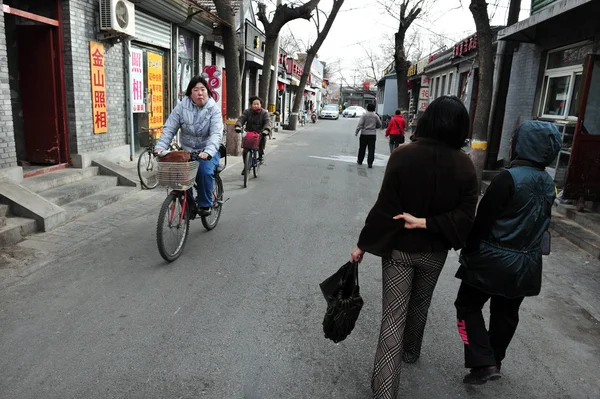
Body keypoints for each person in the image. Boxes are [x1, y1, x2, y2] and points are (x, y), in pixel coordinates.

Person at [350, 95, 478, 399]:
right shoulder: (466, 165)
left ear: (428, 119)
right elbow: (465, 217)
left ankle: (384, 391)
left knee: (393, 315)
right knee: (420, 303)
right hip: (434, 251)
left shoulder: (403, 155)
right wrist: (428, 224)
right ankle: (410, 351)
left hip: (398, 251)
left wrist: (362, 245)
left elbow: (384, 207)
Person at [454, 120, 561, 385]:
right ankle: (493, 361)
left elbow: (483, 220)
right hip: (526, 264)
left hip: (492, 260)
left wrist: (468, 250)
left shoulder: (508, 178)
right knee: (506, 314)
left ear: (522, 145)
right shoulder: (549, 183)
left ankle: (484, 361)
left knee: (467, 306)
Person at [155, 76, 223, 217]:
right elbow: (170, 128)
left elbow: (216, 134)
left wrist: (208, 152)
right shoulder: (181, 107)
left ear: (208, 92)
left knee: (203, 171)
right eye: (196, 89)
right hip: (187, 151)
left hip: (208, 150)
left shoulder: (214, 109)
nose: (200, 93)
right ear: (190, 93)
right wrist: (160, 147)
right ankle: (188, 204)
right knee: (180, 175)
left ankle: (205, 204)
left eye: (203, 89)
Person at [235, 96, 272, 171]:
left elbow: (268, 122)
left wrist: (266, 129)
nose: (256, 105)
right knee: (245, 150)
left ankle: (260, 156)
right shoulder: (247, 112)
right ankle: (246, 166)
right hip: (249, 132)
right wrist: (238, 126)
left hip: (260, 132)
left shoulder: (264, 113)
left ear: (260, 105)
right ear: (251, 105)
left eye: (257, 104)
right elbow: (241, 119)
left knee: (262, 140)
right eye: (254, 104)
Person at [355, 103, 382, 168]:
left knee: (362, 148)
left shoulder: (364, 115)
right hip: (372, 135)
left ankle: (360, 160)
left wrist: (357, 132)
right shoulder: (376, 116)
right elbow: (379, 124)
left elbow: (360, 124)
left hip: (364, 134)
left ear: (367, 108)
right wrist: (374, 127)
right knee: (371, 149)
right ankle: (370, 163)